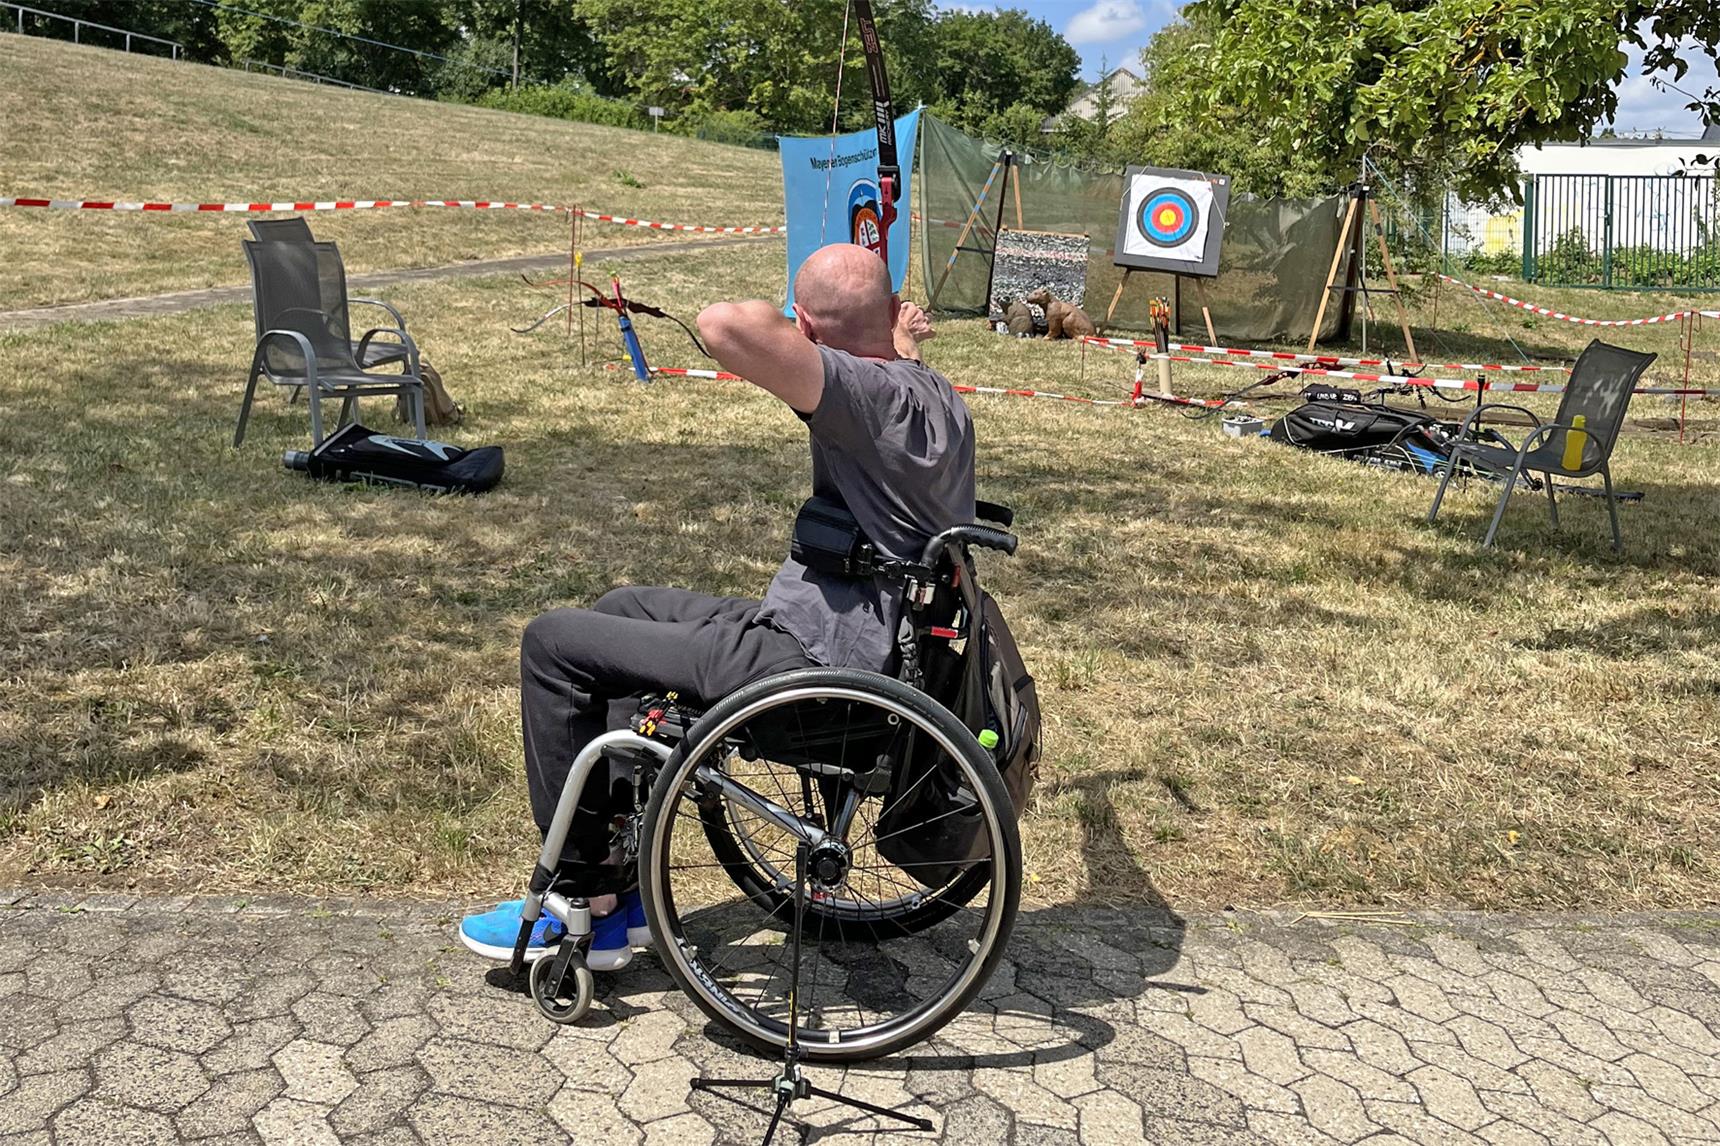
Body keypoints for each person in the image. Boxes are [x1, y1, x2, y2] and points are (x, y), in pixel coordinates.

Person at [458, 243, 975, 969]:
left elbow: (725, 324)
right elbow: (883, 352)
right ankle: (619, 888)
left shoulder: (862, 393)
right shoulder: (930, 392)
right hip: (861, 640)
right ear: (894, 318)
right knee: (622, 609)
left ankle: (579, 898)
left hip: (819, 665)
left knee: (551, 644)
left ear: (810, 329)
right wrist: (898, 338)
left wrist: (810, 327)